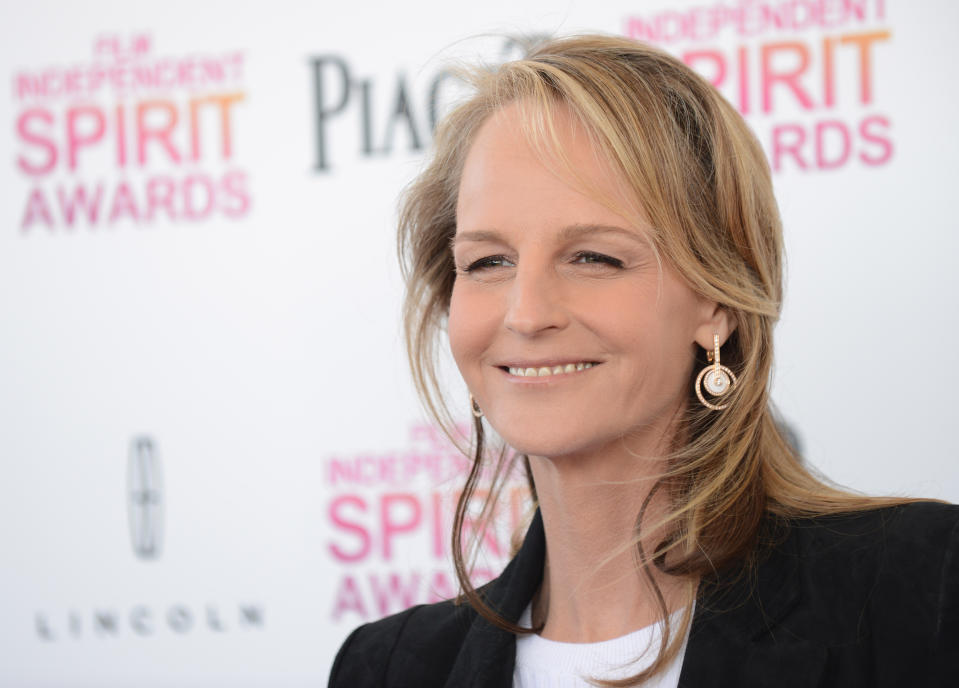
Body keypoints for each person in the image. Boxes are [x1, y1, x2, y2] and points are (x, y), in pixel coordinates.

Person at [328, 34, 959, 687]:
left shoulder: (917, 590)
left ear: (715, 299)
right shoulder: (389, 667)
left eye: (593, 257)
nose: (525, 313)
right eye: (488, 262)